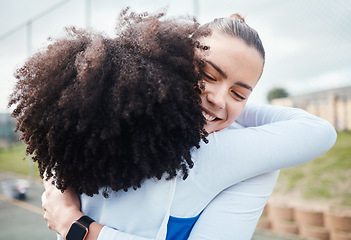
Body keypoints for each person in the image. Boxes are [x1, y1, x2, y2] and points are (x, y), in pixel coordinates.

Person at [13, 10, 336, 240]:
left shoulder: (229, 150)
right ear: (166, 65)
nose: (219, 98)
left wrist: (77, 227)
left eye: (240, 92)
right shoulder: (109, 122)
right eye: (208, 76)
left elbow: (319, 131)